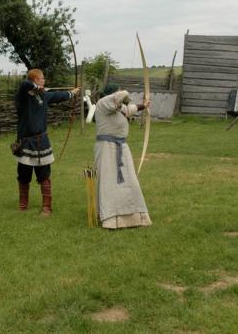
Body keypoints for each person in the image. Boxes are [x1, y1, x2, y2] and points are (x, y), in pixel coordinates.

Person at [15, 69, 79, 215]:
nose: (44, 80)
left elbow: (58, 96)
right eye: (42, 78)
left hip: (41, 142)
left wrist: (72, 93)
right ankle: (23, 206)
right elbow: (24, 84)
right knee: (23, 176)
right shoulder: (23, 96)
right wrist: (36, 87)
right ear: (35, 80)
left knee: (44, 175)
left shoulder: (43, 96)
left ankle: (46, 207)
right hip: (26, 142)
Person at [93, 84, 152, 229]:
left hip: (122, 148)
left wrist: (143, 105)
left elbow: (130, 109)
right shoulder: (103, 103)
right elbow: (121, 96)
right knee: (109, 183)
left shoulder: (119, 108)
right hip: (107, 149)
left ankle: (135, 217)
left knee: (130, 181)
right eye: (118, 90)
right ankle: (110, 218)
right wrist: (123, 93)